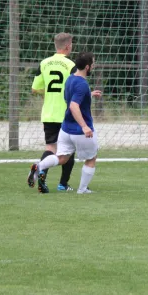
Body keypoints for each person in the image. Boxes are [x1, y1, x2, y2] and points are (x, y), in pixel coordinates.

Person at [28, 52, 102, 194]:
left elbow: (71, 96)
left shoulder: (70, 80)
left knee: (61, 157)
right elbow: (74, 106)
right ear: (87, 67)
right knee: (91, 158)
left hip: (65, 129)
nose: (94, 66)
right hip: (79, 130)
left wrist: (89, 94)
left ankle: (39, 166)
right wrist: (84, 126)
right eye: (93, 64)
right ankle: (82, 189)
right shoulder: (82, 84)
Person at [27, 33, 77, 191]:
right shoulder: (71, 65)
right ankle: (63, 184)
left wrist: (47, 93)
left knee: (50, 148)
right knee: (69, 150)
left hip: (48, 113)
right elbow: (75, 88)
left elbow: (35, 88)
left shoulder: (44, 63)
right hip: (66, 114)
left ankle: (41, 175)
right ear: (68, 46)